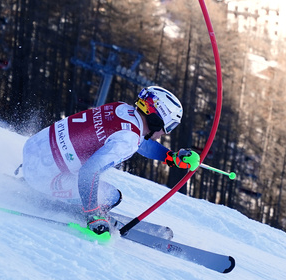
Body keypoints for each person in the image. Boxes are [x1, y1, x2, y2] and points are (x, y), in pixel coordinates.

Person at [21, 86, 199, 234]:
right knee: (111, 196)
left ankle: (52, 191)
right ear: (156, 119)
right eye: (169, 127)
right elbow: (89, 172)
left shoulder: (122, 110)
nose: (165, 133)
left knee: (95, 185)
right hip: (46, 177)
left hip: (33, 152)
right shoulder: (128, 139)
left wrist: (169, 157)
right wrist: (93, 214)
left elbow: (139, 142)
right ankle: (70, 208)